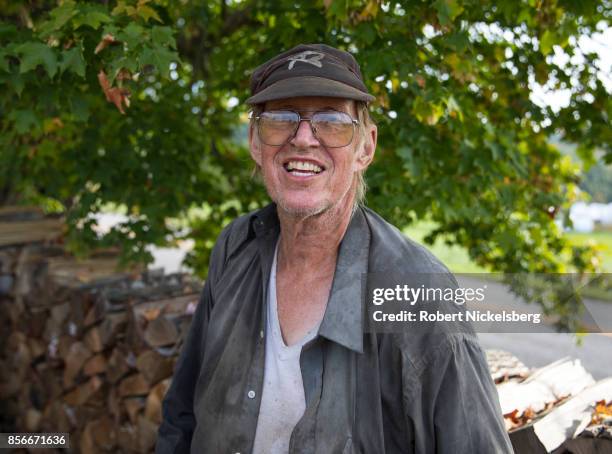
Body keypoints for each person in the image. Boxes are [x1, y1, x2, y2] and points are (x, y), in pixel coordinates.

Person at [156, 43, 513, 454]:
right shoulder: (237, 247)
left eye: (331, 120)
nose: (303, 138)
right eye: (280, 118)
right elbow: (182, 415)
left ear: (366, 147)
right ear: (256, 141)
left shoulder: (417, 290)